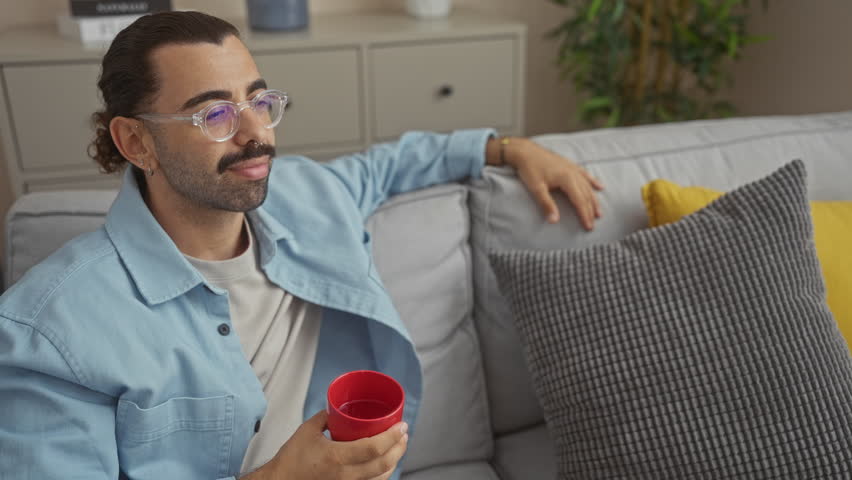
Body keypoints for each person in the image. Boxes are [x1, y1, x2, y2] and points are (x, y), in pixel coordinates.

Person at [0, 11, 603, 480]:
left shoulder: (309, 195)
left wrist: (508, 148)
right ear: (135, 142)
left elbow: (392, 164)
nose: (254, 134)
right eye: (213, 115)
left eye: (259, 102)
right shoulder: (49, 331)